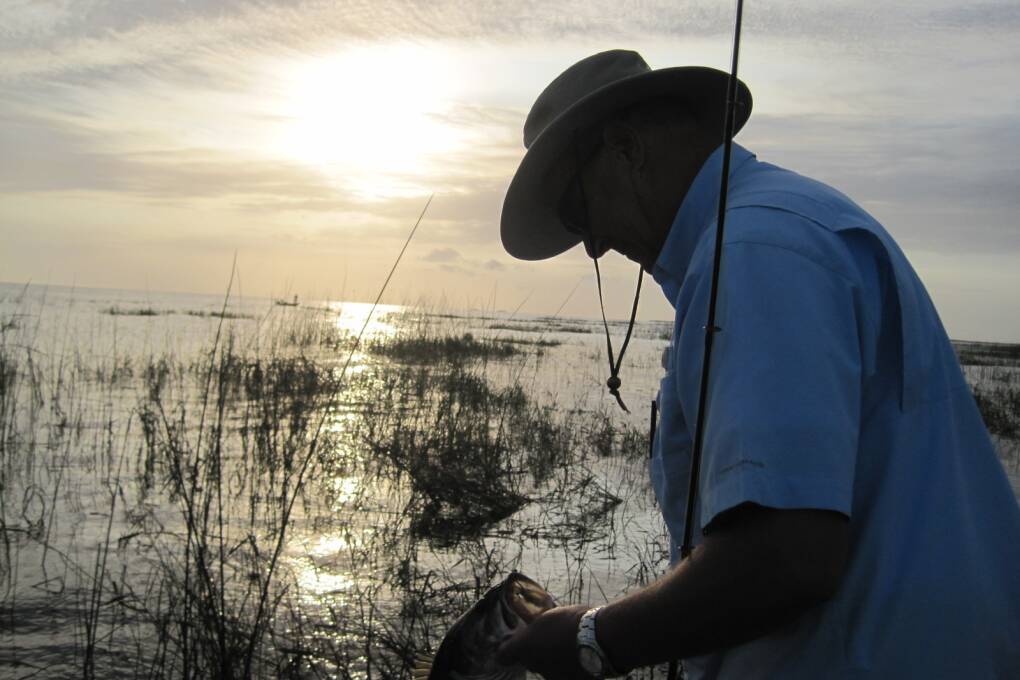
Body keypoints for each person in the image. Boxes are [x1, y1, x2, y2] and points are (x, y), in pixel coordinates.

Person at [495, 49, 1020, 679]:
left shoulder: (753, 251)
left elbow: (784, 559)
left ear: (626, 150)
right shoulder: (779, 228)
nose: (597, 244)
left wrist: (592, 639)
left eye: (581, 215)